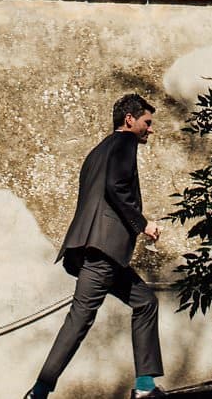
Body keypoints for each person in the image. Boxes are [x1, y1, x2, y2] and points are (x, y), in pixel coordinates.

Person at [24, 93, 164, 398]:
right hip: (102, 253)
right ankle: (39, 391)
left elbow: (98, 196)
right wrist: (144, 224)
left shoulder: (96, 152)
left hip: (96, 251)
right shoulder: (125, 143)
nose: (150, 129)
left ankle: (144, 386)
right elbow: (116, 188)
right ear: (130, 120)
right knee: (80, 318)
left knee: (145, 302)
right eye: (147, 122)